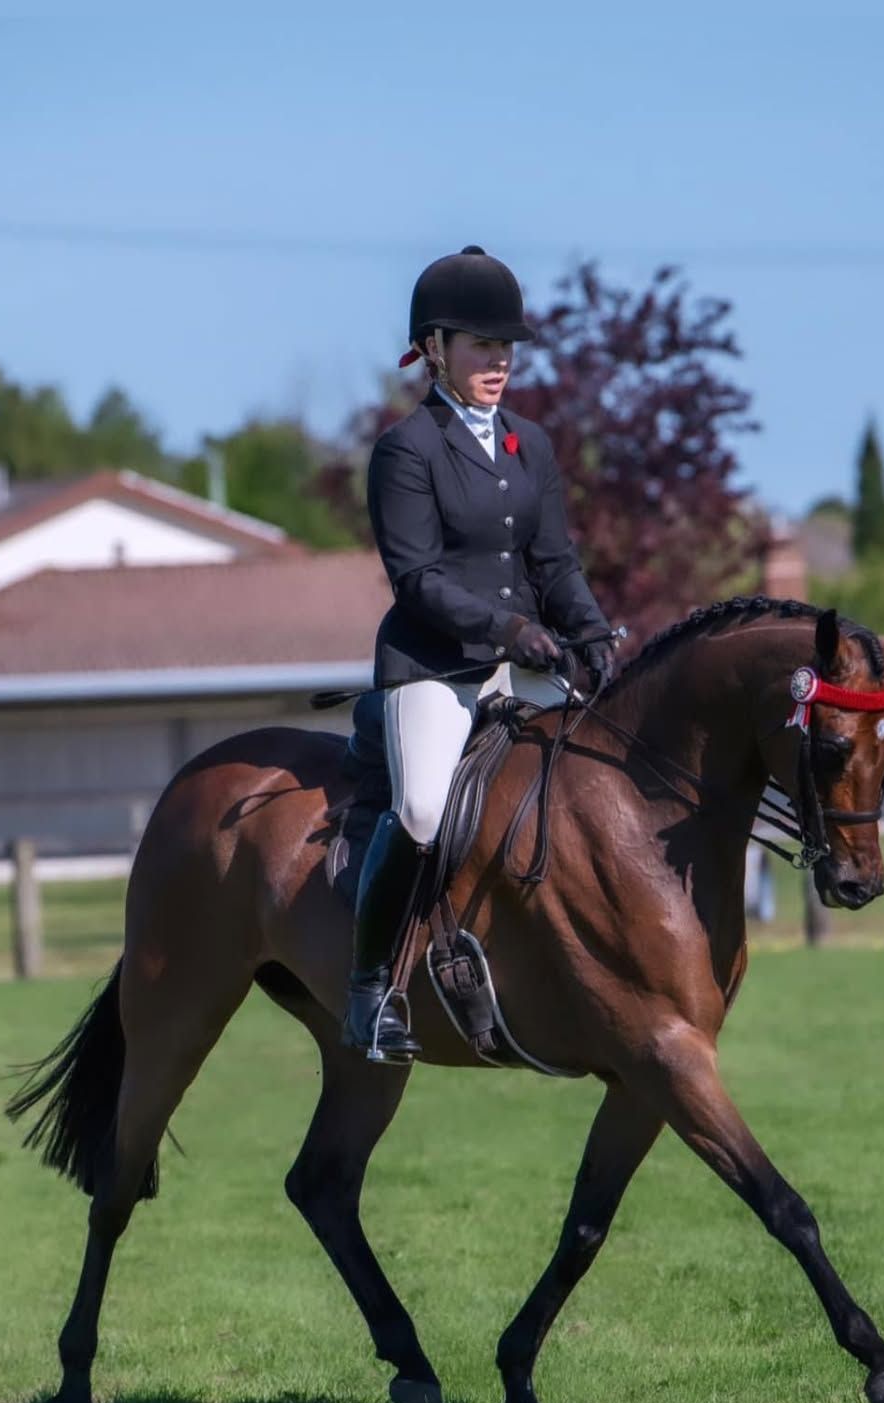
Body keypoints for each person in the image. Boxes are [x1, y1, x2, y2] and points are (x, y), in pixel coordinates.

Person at [343, 244, 618, 1063]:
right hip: (435, 666)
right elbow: (417, 579)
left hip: (522, 660)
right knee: (424, 810)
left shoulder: (529, 444)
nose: (499, 362)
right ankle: (370, 993)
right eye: (481, 348)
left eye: (506, 349)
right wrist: (508, 632)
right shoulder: (407, 450)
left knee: (595, 780)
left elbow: (555, 564)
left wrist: (593, 632)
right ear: (435, 349)